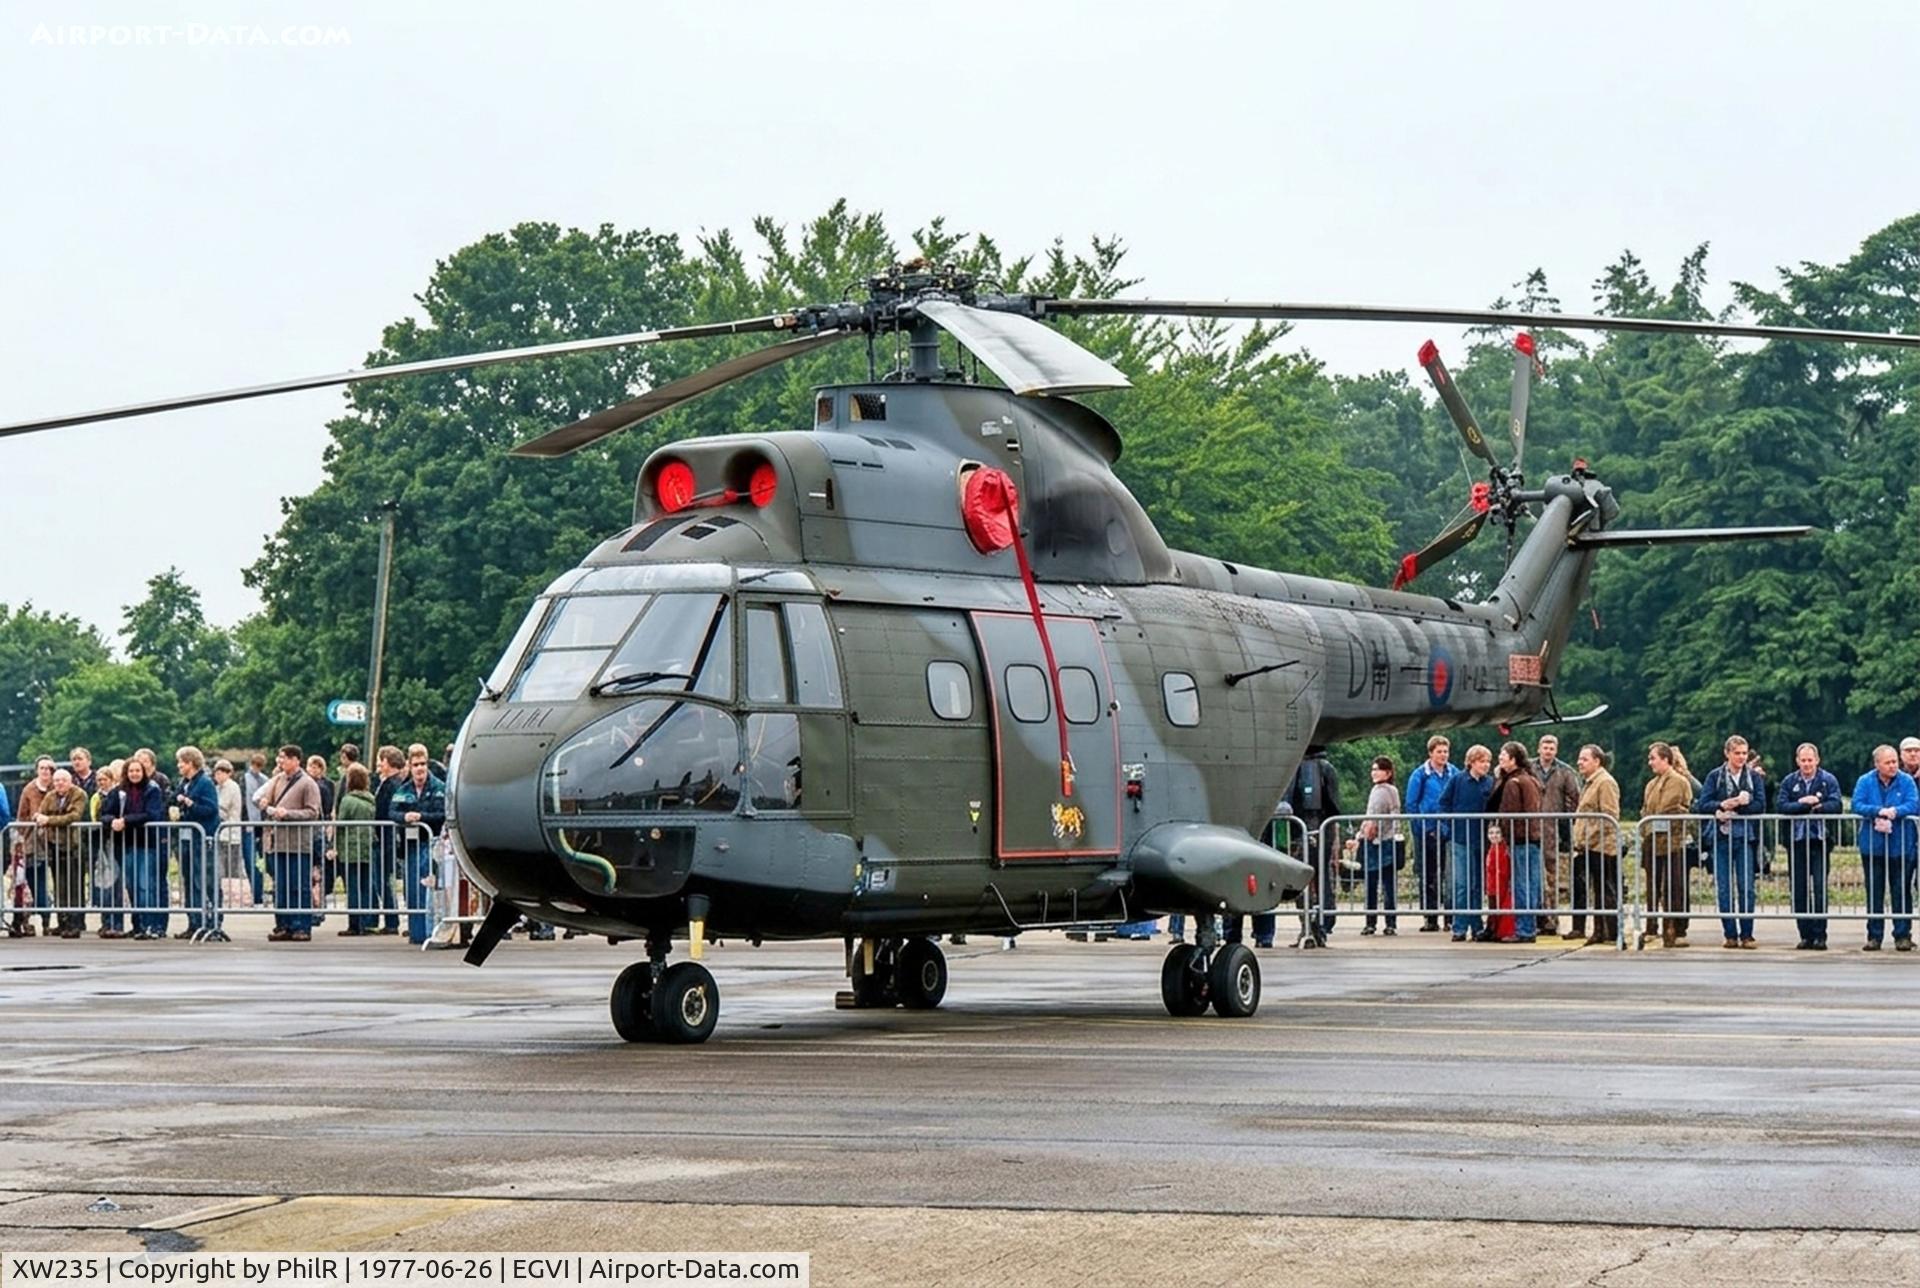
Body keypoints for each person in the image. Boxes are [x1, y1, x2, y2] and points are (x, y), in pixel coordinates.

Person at [1695, 734, 1767, 949]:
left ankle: (1747, 933)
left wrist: (1739, 806)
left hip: (1744, 837)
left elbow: (1761, 805)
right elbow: (1703, 803)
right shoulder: (1714, 776)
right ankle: (1729, 933)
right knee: (1724, 888)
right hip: (1721, 837)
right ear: (1727, 754)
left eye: (1744, 753)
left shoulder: (1753, 777)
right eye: (1737, 753)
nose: (1741, 757)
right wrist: (1720, 807)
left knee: (1746, 887)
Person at [1852, 744, 1919, 952]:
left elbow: (1914, 804)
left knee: (1901, 890)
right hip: (1873, 846)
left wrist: (1895, 811)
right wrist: (1878, 811)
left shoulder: (1906, 780)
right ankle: (1874, 935)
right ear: (1877, 764)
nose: (1893, 766)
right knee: (1874, 891)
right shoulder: (1865, 781)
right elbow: (1856, 804)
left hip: (1900, 844)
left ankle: (1902, 934)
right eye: (1888, 762)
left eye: (1894, 762)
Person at [1776, 742, 1841, 951]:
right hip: (1796, 843)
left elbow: (1837, 804)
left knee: (1820, 889)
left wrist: (1818, 805)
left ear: (1817, 760)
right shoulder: (1789, 781)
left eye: (1810, 760)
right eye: (1803, 760)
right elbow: (1782, 806)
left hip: (1820, 842)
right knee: (1799, 890)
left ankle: (1820, 935)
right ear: (1797, 761)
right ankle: (1805, 935)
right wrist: (1803, 804)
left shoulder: (1827, 780)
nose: (1807, 764)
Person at [258, 744, 322, 942]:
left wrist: (289, 814)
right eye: (280, 757)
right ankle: (283, 924)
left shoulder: (308, 783)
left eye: (284, 757)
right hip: (278, 843)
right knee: (281, 886)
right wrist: (264, 804)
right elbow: (265, 799)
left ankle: (302, 926)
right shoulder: (277, 780)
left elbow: (313, 812)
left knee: (300, 886)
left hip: (298, 844)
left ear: (296, 760)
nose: (280, 761)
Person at [388, 743, 448, 945]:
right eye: (415, 764)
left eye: (423, 763)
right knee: (413, 890)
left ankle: (432, 931)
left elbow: (443, 814)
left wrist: (422, 816)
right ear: (409, 766)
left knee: (431, 891)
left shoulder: (439, 787)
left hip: (433, 845)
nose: (420, 768)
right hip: (411, 847)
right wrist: (405, 816)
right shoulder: (404, 789)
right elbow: (392, 812)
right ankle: (417, 933)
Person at [103, 756, 168, 940]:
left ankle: (151, 925)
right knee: (131, 886)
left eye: (137, 770)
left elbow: (152, 814)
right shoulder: (119, 791)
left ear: (143, 772)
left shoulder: (152, 790)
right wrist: (112, 821)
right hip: (126, 845)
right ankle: (138, 924)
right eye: (131, 771)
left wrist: (126, 821)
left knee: (145, 886)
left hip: (147, 845)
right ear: (126, 772)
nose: (134, 774)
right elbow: (105, 813)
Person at [1285, 747, 1343, 948]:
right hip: (1320, 829)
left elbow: (1290, 800)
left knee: (1305, 880)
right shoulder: (1325, 768)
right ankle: (1318, 926)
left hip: (1304, 829)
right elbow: (1334, 805)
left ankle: (1311, 926)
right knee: (1320, 878)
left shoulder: (1300, 767)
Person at [1437, 743, 1494, 941]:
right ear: (1471, 762)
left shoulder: (1489, 783)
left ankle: (1477, 925)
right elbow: (1443, 804)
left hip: (1481, 840)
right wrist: (1448, 827)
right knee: (1462, 885)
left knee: (1477, 885)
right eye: (1481, 761)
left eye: (1488, 762)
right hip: (1460, 838)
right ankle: (1459, 927)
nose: (1485, 765)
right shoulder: (1457, 780)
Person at [1640, 743, 1694, 948]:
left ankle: (1674, 927)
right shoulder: (1651, 784)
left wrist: (1656, 818)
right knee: (1653, 887)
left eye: (1653, 758)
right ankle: (1652, 925)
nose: (1650, 762)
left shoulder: (1680, 782)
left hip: (1673, 842)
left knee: (1674, 886)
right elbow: (1646, 810)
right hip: (1652, 841)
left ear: (1665, 759)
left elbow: (1672, 808)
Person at [1404, 735, 1457, 933]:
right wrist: (1422, 828)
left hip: (1448, 830)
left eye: (1445, 751)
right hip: (1426, 831)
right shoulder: (1420, 775)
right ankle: (1430, 917)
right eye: (1439, 752)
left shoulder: (1453, 772)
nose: (1443, 755)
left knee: (1449, 875)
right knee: (1428, 875)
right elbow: (1411, 803)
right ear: (1431, 753)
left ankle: (1450, 917)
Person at [1570, 744, 1621, 946]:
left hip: (1601, 846)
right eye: (1579, 759)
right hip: (1589, 845)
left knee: (1605, 889)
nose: (1579, 763)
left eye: (1584, 759)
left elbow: (1609, 815)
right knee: (1597, 890)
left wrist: (1590, 838)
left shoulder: (1605, 783)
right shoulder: (1591, 782)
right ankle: (1600, 930)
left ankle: (1610, 930)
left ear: (1597, 761)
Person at [170, 747, 222, 939]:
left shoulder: (205, 783)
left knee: (205, 881)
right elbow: (172, 799)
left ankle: (212, 921)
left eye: (181, 762)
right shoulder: (184, 783)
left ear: (190, 763)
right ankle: (194, 922)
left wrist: (191, 804)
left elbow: (211, 809)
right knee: (190, 881)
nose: (178, 766)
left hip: (202, 838)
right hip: (187, 838)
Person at [1496, 742, 1544, 943]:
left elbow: (1510, 814)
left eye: (1503, 754)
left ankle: (1524, 929)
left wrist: (1506, 835)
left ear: (1513, 759)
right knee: (1531, 884)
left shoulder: (1514, 782)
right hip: (1532, 838)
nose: (1500, 757)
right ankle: (1529, 926)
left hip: (1520, 839)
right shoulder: (1531, 779)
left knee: (1522, 885)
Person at [1535, 735, 1580, 938]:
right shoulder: (1529, 768)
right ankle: (1537, 918)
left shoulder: (1565, 771)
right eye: (1545, 747)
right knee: (1534, 876)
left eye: (1552, 748)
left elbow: (1575, 796)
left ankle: (1552, 919)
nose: (1548, 751)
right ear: (1539, 749)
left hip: (1553, 830)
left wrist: (1566, 818)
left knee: (1552, 878)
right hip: (1532, 828)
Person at [1350, 755, 1401, 936]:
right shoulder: (1374, 790)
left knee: (1388, 885)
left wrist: (1387, 833)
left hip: (1385, 841)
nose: (1374, 773)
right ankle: (1370, 922)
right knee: (1371, 885)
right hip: (1371, 842)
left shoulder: (1390, 791)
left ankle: (1390, 922)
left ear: (1387, 773)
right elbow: (1369, 814)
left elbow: (1394, 815)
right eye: (1373, 769)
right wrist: (1360, 835)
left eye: (1377, 769)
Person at [37, 768, 87, 938]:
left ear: (70, 781)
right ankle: (62, 922)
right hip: (53, 845)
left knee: (74, 885)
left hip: (73, 846)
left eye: (63, 780)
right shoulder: (50, 796)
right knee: (59, 886)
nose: (59, 783)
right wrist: (41, 818)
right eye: (56, 780)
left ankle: (75, 923)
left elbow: (74, 816)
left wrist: (49, 820)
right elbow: (40, 813)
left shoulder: (78, 794)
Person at [10, 758, 56, 936]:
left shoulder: (58, 786)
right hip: (32, 843)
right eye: (42, 768)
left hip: (54, 840)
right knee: (32, 881)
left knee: (52, 882)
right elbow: (21, 815)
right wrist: (24, 837)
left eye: (48, 768)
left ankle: (49, 920)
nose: (45, 771)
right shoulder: (29, 789)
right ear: (37, 770)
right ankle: (29, 920)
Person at [334, 764, 379, 935]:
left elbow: (341, 823)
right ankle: (366, 922)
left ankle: (354, 924)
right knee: (366, 885)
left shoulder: (347, 800)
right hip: (367, 847)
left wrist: (335, 846)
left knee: (353, 886)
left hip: (351, 849)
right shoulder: (370, 799)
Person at [88, 762, 127, 939]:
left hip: (117, 843)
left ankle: (116, 923)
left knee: (116, 885)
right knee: (104, 883)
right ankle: (106, 921)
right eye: (99, 780)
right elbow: (97, 817)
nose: (101, 782)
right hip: (102, 843)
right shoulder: (98, 797)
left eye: (104, 779)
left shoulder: (119, 794)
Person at [372, 745, 406, 935]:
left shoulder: (390, 785)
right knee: (383, 880)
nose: (379, 765)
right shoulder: (394, 783)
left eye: (381, 761)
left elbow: (384, 811)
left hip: (386, 838)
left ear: (389, 763)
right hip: (385, 837)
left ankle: (391, 921)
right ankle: (391, 919)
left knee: (383, 880)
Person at [307, 754, 336, 923]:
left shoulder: (326, 786)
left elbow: (327, 807)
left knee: (319, 872)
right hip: (313, 831)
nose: (313, 770)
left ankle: (319, 908)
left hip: (318, 831)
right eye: (311, 766)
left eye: (316, 767)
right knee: (311, 873)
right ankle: (313, 907)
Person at [213, 758, 244, 913]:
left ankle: (233, 899)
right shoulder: (219, 788)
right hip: (223, 832)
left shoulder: (230, 787)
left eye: (220, 773)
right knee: (222, 868)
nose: (217, 776)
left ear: (227, 773)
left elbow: (222, 808)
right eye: (216, 773)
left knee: (229, 869)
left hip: (229, 832)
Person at [242, 752, 269, 906]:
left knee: (253, 861)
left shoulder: (245, 779)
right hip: (258, 824)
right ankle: (258, 894)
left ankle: (258, 895)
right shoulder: (265, 780)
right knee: (257, 862)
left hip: (251, 825)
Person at [1483, 823, 1515, 942]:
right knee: (1493, 908)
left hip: (1500, 886)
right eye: (1491, 833)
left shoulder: (1502, 850)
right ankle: (1493, 929)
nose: (1494, 836)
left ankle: (1497, 931)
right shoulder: (1492, 849)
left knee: (1499, 908)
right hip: (1492, 885)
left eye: (1497, 833)